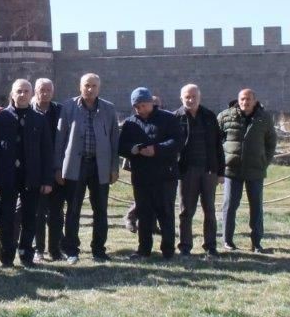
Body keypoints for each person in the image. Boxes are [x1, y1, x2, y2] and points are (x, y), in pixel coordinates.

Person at [0, 79, 54, 267]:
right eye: (19, 91)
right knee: (6, 217)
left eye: (26, 91)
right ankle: (6, 256)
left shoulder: (39, 119)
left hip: (32, 176)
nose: (22, 94)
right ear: (12, 94)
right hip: (7, 176)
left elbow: (47, 151)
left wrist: (47, 179)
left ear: (32, 94)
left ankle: (26, 254)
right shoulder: (1, 118)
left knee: (30, 217)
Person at [55, 73, 120, 262]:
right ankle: (72, 250)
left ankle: (99, 250)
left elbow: (114, 140)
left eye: (93, 86)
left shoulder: (109, 109)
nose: (90, 89)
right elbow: (60, 139)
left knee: (100, 209)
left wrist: (114, 167)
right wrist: (58, 167)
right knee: (73, 209)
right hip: (75, 165)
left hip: (100, 166)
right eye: (86, 85)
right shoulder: (68, 107)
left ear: (99, 88)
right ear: (80, 86)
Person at [118, 87, 184, 260]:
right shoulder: (130, 123)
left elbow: (177, 141)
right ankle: (144, 250)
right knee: (144, 213)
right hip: (141, 175)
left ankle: (168, 250)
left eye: (144, 105)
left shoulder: (168, 118)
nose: (141, 109)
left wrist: (156, 150)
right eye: (137, 106)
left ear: (151, 103)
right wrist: (132, 149)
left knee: (165, 213)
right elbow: (121, 146)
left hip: (165, 175)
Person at [218, 89, 277, 253]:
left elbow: (271, 142)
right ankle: (227, 241)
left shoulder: (264, 118)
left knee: (256, 207)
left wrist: (264, 161)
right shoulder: (225, 116)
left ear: (254, 100)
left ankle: (257, 243)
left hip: (255, 170)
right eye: (243, 99)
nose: (245, 102)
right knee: (229, 205)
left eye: (249, 99)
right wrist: (221, 163)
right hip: (231, 169)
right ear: (238, 100)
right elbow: (217, 140)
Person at [173, 84, 224, 258]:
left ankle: (210, 246)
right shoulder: (175, 118)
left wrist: (221, 172)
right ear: (181, 98)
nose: (190, 100)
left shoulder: (209, 116)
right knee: (186, 211)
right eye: (187, 97)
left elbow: (218, 146)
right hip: (186, 171)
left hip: (208, 170)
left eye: (194, 96)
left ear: (199, 97)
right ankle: (185, 246)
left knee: (209, 209)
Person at [31, 78, 63, 261]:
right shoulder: (29, 112)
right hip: (36, 170)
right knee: (38, 213)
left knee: (56, 213)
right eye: (42, 89)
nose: (45, 93)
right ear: (35, 91)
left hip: (56, 169)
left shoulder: (60, 111)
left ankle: (55, 249)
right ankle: (38, 249)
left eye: (48, 90)